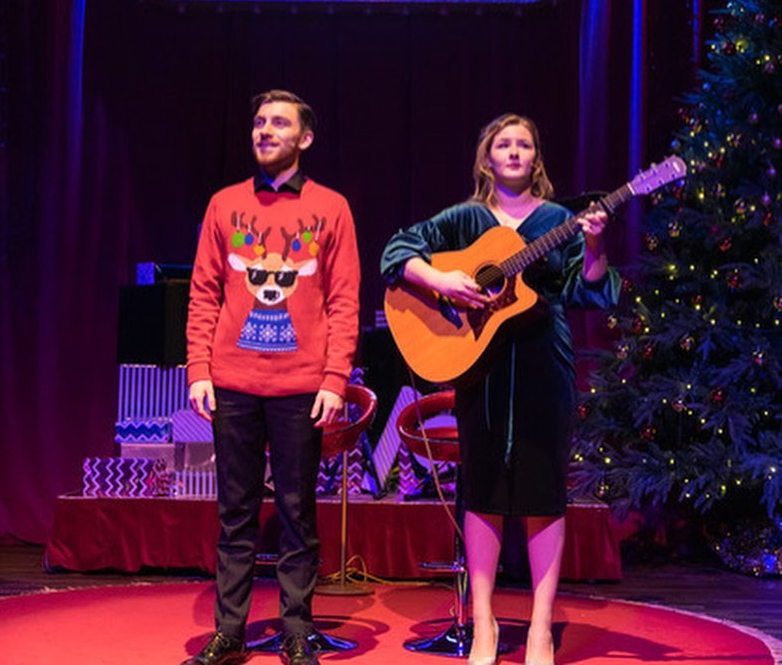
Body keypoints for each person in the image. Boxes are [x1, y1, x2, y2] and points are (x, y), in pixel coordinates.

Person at [380, 113, 620, 665]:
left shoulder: (559, 219)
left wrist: (596, 244)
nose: (514, 152)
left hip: (544, 362)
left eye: (524, 145)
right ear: (487, 159)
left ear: (537, 158)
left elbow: (589, 292)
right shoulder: (466, 218)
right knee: (483, 489)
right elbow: (397, 251)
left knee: (544, 492)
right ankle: (483, 622)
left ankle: (540, 628)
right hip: (478, 364)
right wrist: (441, 279)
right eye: (503, 144)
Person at [183, 89, 361, 665]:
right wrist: (199, 369)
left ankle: (296, 631)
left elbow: (344, 300)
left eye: (279, 123)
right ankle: (229, 632)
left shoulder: (332, 207)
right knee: (234, 514)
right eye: (259, 121)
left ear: (305, 138)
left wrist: (334, 379)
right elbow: (204, 292)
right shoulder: (224, 204)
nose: (264, 130)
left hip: (301, 387)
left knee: (296, 512)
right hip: (232, 382)